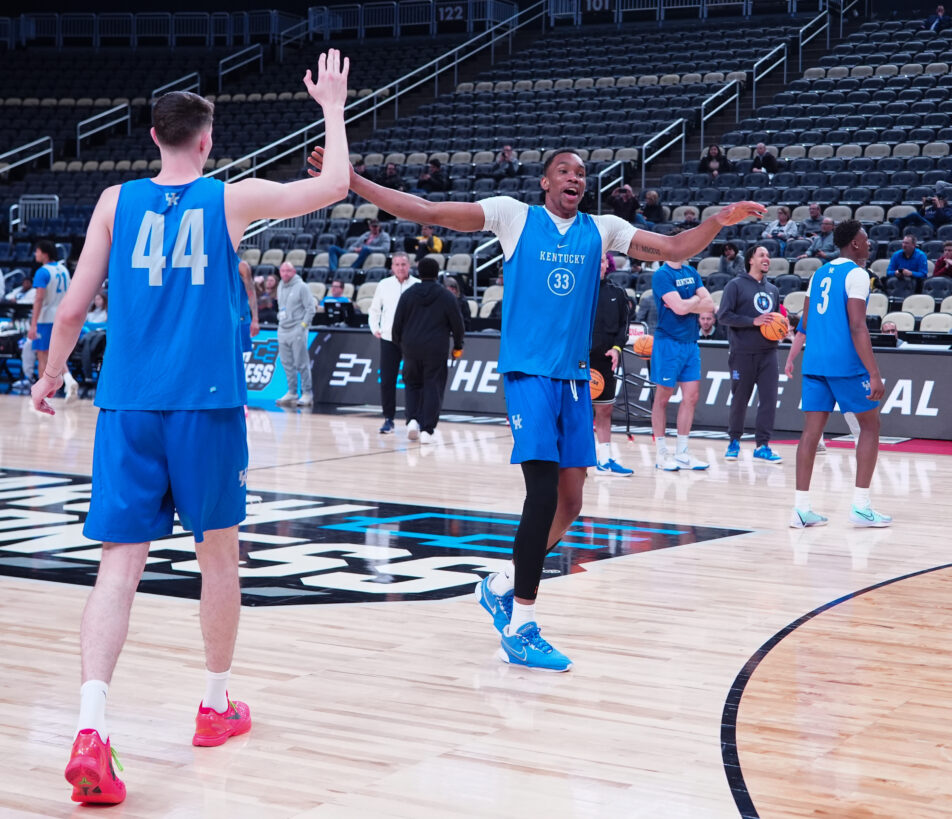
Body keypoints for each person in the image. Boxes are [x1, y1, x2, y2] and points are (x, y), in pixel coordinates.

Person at [29, 51, 351, 806]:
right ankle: (213, 705)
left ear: (152, 136)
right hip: (203, 406)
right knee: (219, 557)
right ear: (205, 141)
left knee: (119, 565)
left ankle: (91, 723)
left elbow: (73, 307)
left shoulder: (114, 201)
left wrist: (49, 375)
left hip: (128, 405)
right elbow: (333, 186)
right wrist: (332, 107)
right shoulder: (227, 199)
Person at [307, 142, 764, 669]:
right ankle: (521, 625)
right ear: (545, 183)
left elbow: (675, 246)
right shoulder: (513, 217)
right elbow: (429, 211)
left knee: (571, 504)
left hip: (573, 381)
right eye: (564, 171)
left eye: (581, 173)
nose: (575, 178)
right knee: (542, 495)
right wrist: (355, 182)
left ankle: (500, 584)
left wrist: (718, 221)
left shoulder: (604, 228)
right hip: (528, 376)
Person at [782, 220, 891, 529]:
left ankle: (801, 509)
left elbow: (804, 322)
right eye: (866, 239)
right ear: (854, 244)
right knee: (870, 427)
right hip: (844, 362)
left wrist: (798, 356)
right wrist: (874, 372)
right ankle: (861, 507)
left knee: (811, 434)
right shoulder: (857, 274)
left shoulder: (818, 273)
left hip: (815, 362)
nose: (870, 244)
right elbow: (858, 325)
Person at [716, 244, 784, 463]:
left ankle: (763, 445)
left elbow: (774, 319)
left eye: (768, 255)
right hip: (742, 353)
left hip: (769, 353)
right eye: (762, 254)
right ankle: (734, 441)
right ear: (750, 260)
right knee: (740, 399)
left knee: (769, 400)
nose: (767, 258)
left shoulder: (773, 289)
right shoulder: (734, 285)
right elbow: (724, 316)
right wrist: (752, 322)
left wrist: (782, 328)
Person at [650, 257, 715, 472]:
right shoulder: (662, 275)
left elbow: (710, 305)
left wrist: (687, 304)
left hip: (690, 342)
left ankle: (682, 453)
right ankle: (661, 454)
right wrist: (694, 301)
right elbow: (678, 309)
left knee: (692, 396)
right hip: (668, 342)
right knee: (662, 397)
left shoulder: (691, 272)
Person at [391, 256, 464, 443]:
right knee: (433, 386)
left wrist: (400, 344)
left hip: (411, 346)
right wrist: (457, 346)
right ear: (437, 273)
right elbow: (458, 324)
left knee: (412, 384)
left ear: (418, 272)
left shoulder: (408, 294)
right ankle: (427, 430)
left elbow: (397, 323)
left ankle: (413, 420)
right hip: (436, 348)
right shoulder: (446, 296)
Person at [590, 252, 633, 476]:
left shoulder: (617, 292)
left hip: (606, 359)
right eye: (595, 260)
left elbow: (623, 327)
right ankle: (580, 459)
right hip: (579, 360)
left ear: (608, 264)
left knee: (605, 410)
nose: (599, 264)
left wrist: (617, 349)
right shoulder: (576, 290)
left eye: (602, 260)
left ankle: (605, 459)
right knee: (578, 413)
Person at [367, 252, 419, 433]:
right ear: (392, 267)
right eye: (397, 264)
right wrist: (375, 328)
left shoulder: (417, 285)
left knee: (412, 379)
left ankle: (413, 418)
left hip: (411, 340)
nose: (400, 268)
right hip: (388, 339)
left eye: (403, 264)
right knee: (387, 380)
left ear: (409, 266)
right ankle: (388, 418)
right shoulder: (384, 284)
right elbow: (374, 310)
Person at [28, 240, 80, 401]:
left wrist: (33, 324)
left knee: (43, 356)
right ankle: (68, 380)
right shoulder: (64, 269)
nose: (35, 254)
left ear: (44, 253)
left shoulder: (42, 272)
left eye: (37, 251)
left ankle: (43, 396)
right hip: (62, 316)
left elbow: (39, 299)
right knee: (56, 355)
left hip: (46, 318)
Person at [274, 261, 316, 407]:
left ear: (294, 272)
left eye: (288, 271)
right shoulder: (280, 286)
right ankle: (292, 391)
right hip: (283, 329)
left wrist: (303, 326)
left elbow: (311, 309)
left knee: (301, 363)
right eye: (282, 271)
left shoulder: (302, 287)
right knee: (286, 363)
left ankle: (307, 393)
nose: (285, 274)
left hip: (297, 329)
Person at [238, 258, 259, 366]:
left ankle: (239, 383)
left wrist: (255, 318)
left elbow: (251, 292)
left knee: (238, 359)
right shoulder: (215, 264)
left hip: (240, 318)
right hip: (221, 319)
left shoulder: (242, 266)